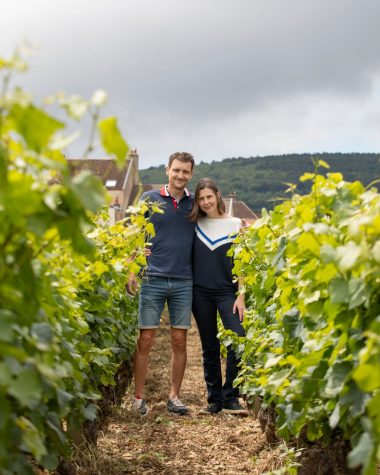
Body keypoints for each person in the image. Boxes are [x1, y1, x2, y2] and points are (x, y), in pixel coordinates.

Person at [127, 152, 195, 416]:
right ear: (167, 170)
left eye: (185, 172)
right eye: (176, 170)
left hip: (184, 280)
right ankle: (137, 398)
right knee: (146, 339)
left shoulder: (193, 204)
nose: (180, 175)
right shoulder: (149, 199)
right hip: (152, 278)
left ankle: (174, 397)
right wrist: (132, 268)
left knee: (179, 339)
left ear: (191, 174)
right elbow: (135, 233)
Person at [190, 178, 248, 416]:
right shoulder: (194, 225)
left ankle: (231, 397)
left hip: (228, 293)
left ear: (218, 196)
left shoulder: (236, 224)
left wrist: (241, 295)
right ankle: (214, 399)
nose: (205, 202)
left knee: (238, 339)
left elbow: (243, 262)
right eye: (201, 198)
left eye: (209, 197)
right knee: (209, 346)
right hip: (199, 292)